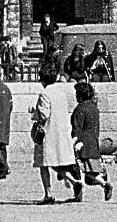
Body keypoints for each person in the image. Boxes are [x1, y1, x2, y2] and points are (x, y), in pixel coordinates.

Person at [31, 68, 81, 205]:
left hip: (48, 133)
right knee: (56, 163)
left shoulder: (45, 94)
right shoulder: (61, 93)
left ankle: (48, 194)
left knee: (44, 164)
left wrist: (34, 114)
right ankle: (74, 181)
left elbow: (43, 115)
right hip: (61, 132)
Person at [70, 81, 112, 202]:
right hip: (93, 141)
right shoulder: (94, 109)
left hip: (82, 143)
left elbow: (77, 128)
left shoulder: (79, 109)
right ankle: (104, 184)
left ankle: (80, 190)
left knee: (80, 168)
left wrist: (73, 142)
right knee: (90, 170)